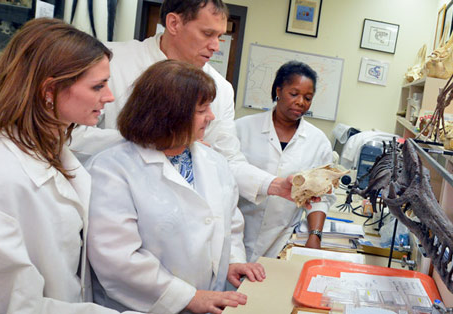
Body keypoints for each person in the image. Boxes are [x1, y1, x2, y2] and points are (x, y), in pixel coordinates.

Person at [0, 18, 129, 314]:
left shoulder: (43, 144)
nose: (109, 96)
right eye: (98, 86)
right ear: (49, 90)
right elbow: (12, 307)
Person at [70, 0, 303, 209]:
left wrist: (274, 184)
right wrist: (148, 142)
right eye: (207, 33)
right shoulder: (113, 63)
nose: (216, 46)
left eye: (219, 36)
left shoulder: (220, 89)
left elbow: (227, 158)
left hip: (179, 215)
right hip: (111, 202)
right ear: (174, 23)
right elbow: (71, 135)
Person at [86, 60, 266, 314]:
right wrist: (187, 297)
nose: (211, 117)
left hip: (207, 300)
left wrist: (232, 262)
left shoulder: (214, 163)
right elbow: (117, 258)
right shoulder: (112, 170)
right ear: (169, 114)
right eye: (202, 110)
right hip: (142, 307)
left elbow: (230, 226)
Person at [235, 61, 336, 261]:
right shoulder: (242, 128)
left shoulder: (318, 141)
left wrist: (314, 236)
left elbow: (321, 197)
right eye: (294, 94)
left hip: (280, 239)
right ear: (278, 90)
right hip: (236, 232)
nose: (301, 102)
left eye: (308, 97)